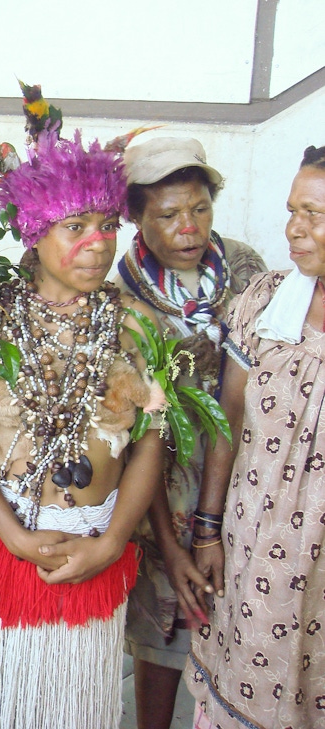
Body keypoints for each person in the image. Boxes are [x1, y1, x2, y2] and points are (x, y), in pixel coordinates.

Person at [0, 94, 167, 729]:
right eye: (76, 228)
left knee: (73, 703)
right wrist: (11, 534)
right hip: (0, 540)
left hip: (96, 542)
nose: (98, 244)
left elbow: (152, 443)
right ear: (33, 231)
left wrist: (115, 540)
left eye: (107, 227)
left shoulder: (135, 325)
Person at [114, 137, 267, 729]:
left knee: (236, 611)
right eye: (169, 214)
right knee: (162, 622)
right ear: (135, 216)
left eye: (200, 209)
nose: (189, 228)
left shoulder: (248, 272)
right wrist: (173, 541)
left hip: (243, 478)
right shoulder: (122, 296)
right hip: (157, 488)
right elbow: (131, 431)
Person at [186, 145, 325, 729]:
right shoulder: (267, 301)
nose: (293, 229)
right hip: (255, 548)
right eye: (292, 210)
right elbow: (230, 413)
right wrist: (208, 528)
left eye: (314, 215)